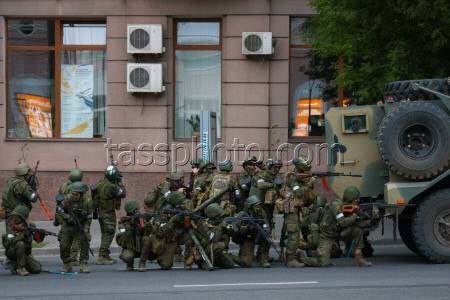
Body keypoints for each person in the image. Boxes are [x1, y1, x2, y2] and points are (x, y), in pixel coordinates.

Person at [302, 187, 372, 267]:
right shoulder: (336, 206)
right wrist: (355, 216)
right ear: (353, 199)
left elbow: (357, 223)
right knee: (322, 262)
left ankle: (358, 255)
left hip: (340, 233)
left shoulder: (351, 207)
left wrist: (369, 221)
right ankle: (303, 257)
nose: (358, 201)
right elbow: (342, 222)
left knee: (357, 230)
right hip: (327, 235)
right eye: (357, 199)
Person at [55, 181, 93, 273]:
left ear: (81, 194)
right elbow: (59, 210)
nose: (74, 196)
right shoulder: (67, 199)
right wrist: (67, 217)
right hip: (68, 225)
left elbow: (89, 217)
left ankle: (83, 263)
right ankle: (67, 264)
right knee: (63, 245)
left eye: (76, 194)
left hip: (81, 225)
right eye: (73, 193)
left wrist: (86, 229)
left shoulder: (87, 201)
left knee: (85, 242)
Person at [147, 191, 191, 270]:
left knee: (190, 238)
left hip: (178, 235)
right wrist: (173, 221)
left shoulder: (182, 210)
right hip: (168, 240)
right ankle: (159, 255)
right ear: (175, 203)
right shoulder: (164, 213)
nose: (183, 204)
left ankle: (187, 261)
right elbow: (160, 232)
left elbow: (187, 227)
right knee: (166, 265)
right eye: (181, 202)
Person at [93, 164, 126, 265]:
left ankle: (105, 254)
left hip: (101, 212)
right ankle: (102, 256)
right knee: (109, 234)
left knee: (105, 233)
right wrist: (120, 182)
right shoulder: (111, 186)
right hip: (108, 213)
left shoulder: (100, 183)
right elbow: (123, 193)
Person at [231, 196, 272, 268]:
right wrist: (241, 228)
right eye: (256, 205)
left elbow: (266, 222)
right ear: (250, 206)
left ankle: (262, 257)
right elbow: (234, 226)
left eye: (259, 205)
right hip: (247, 237)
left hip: (257, 233)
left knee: (267, 238)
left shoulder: (261, 212)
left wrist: (266, 231)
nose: (258, 207)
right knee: (246, 263)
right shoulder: (243, 214)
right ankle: (231, 256)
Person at [55, 168, 84, 266]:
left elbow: (58, 199)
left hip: (63, 214)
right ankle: (73, 258)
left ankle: (68, 256)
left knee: (65, 233)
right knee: (76, 236)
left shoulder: (63, 185)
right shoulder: (79, 187)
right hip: (72, 214)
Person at [1, 205, 42, 276]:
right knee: (20, 244)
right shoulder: (10, 226)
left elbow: (29, 246)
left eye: (17, 217)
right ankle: (20, 268)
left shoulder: (24, 227)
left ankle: (18, 265)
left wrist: (31, 234)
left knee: (37, 269)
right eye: (15, 216)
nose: (15, 218)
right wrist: (23, 235)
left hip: (24, 254)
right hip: (12, 252)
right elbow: (10, 242)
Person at [194, 203, 235, 270]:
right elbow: (212, 239)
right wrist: (220, 227)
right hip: (205, 248)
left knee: (229, 264)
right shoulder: (204, 224)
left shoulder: (220, 222)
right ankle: (203, 261)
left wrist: (229, 227)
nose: (222, 217)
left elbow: (233, 233)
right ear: (215, 216)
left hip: (215, 250)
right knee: (220, 245)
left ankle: (214, 260)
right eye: (219, 216)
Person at [116, 200, 151, 271]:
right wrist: (131, 225)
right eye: (137, 209)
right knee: (127, 257)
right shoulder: (123, 222)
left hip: (141, 244)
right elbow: (124, 238)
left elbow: (148, 232)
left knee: (146, 239)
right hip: (130, 245)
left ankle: (142, 262)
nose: (139, 211)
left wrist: (147, 223)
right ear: (134, 210)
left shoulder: (141, 218)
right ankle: (130, 263)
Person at [1, 163, 38, 227]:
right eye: (28, 172)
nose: (29, 174)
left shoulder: (11, 180)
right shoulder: (22, 184)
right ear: (25, 173)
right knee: (20, 234)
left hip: (7, 211)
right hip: (17, 215)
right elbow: (33, 198)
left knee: (10, 233)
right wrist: (33, 189)